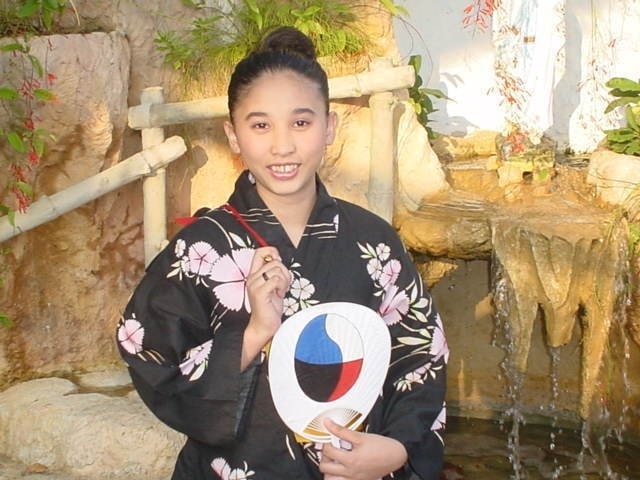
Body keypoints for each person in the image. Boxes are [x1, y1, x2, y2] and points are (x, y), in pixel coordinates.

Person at [116, 25, 448, 480]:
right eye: (260, 125)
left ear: (329, 127)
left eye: (301, 122)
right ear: (233, 135)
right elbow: (149, 355)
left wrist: (397, 447)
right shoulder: (202, 248)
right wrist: (253, 334)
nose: (282, 145)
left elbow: (422, 350)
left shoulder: (373, 240)